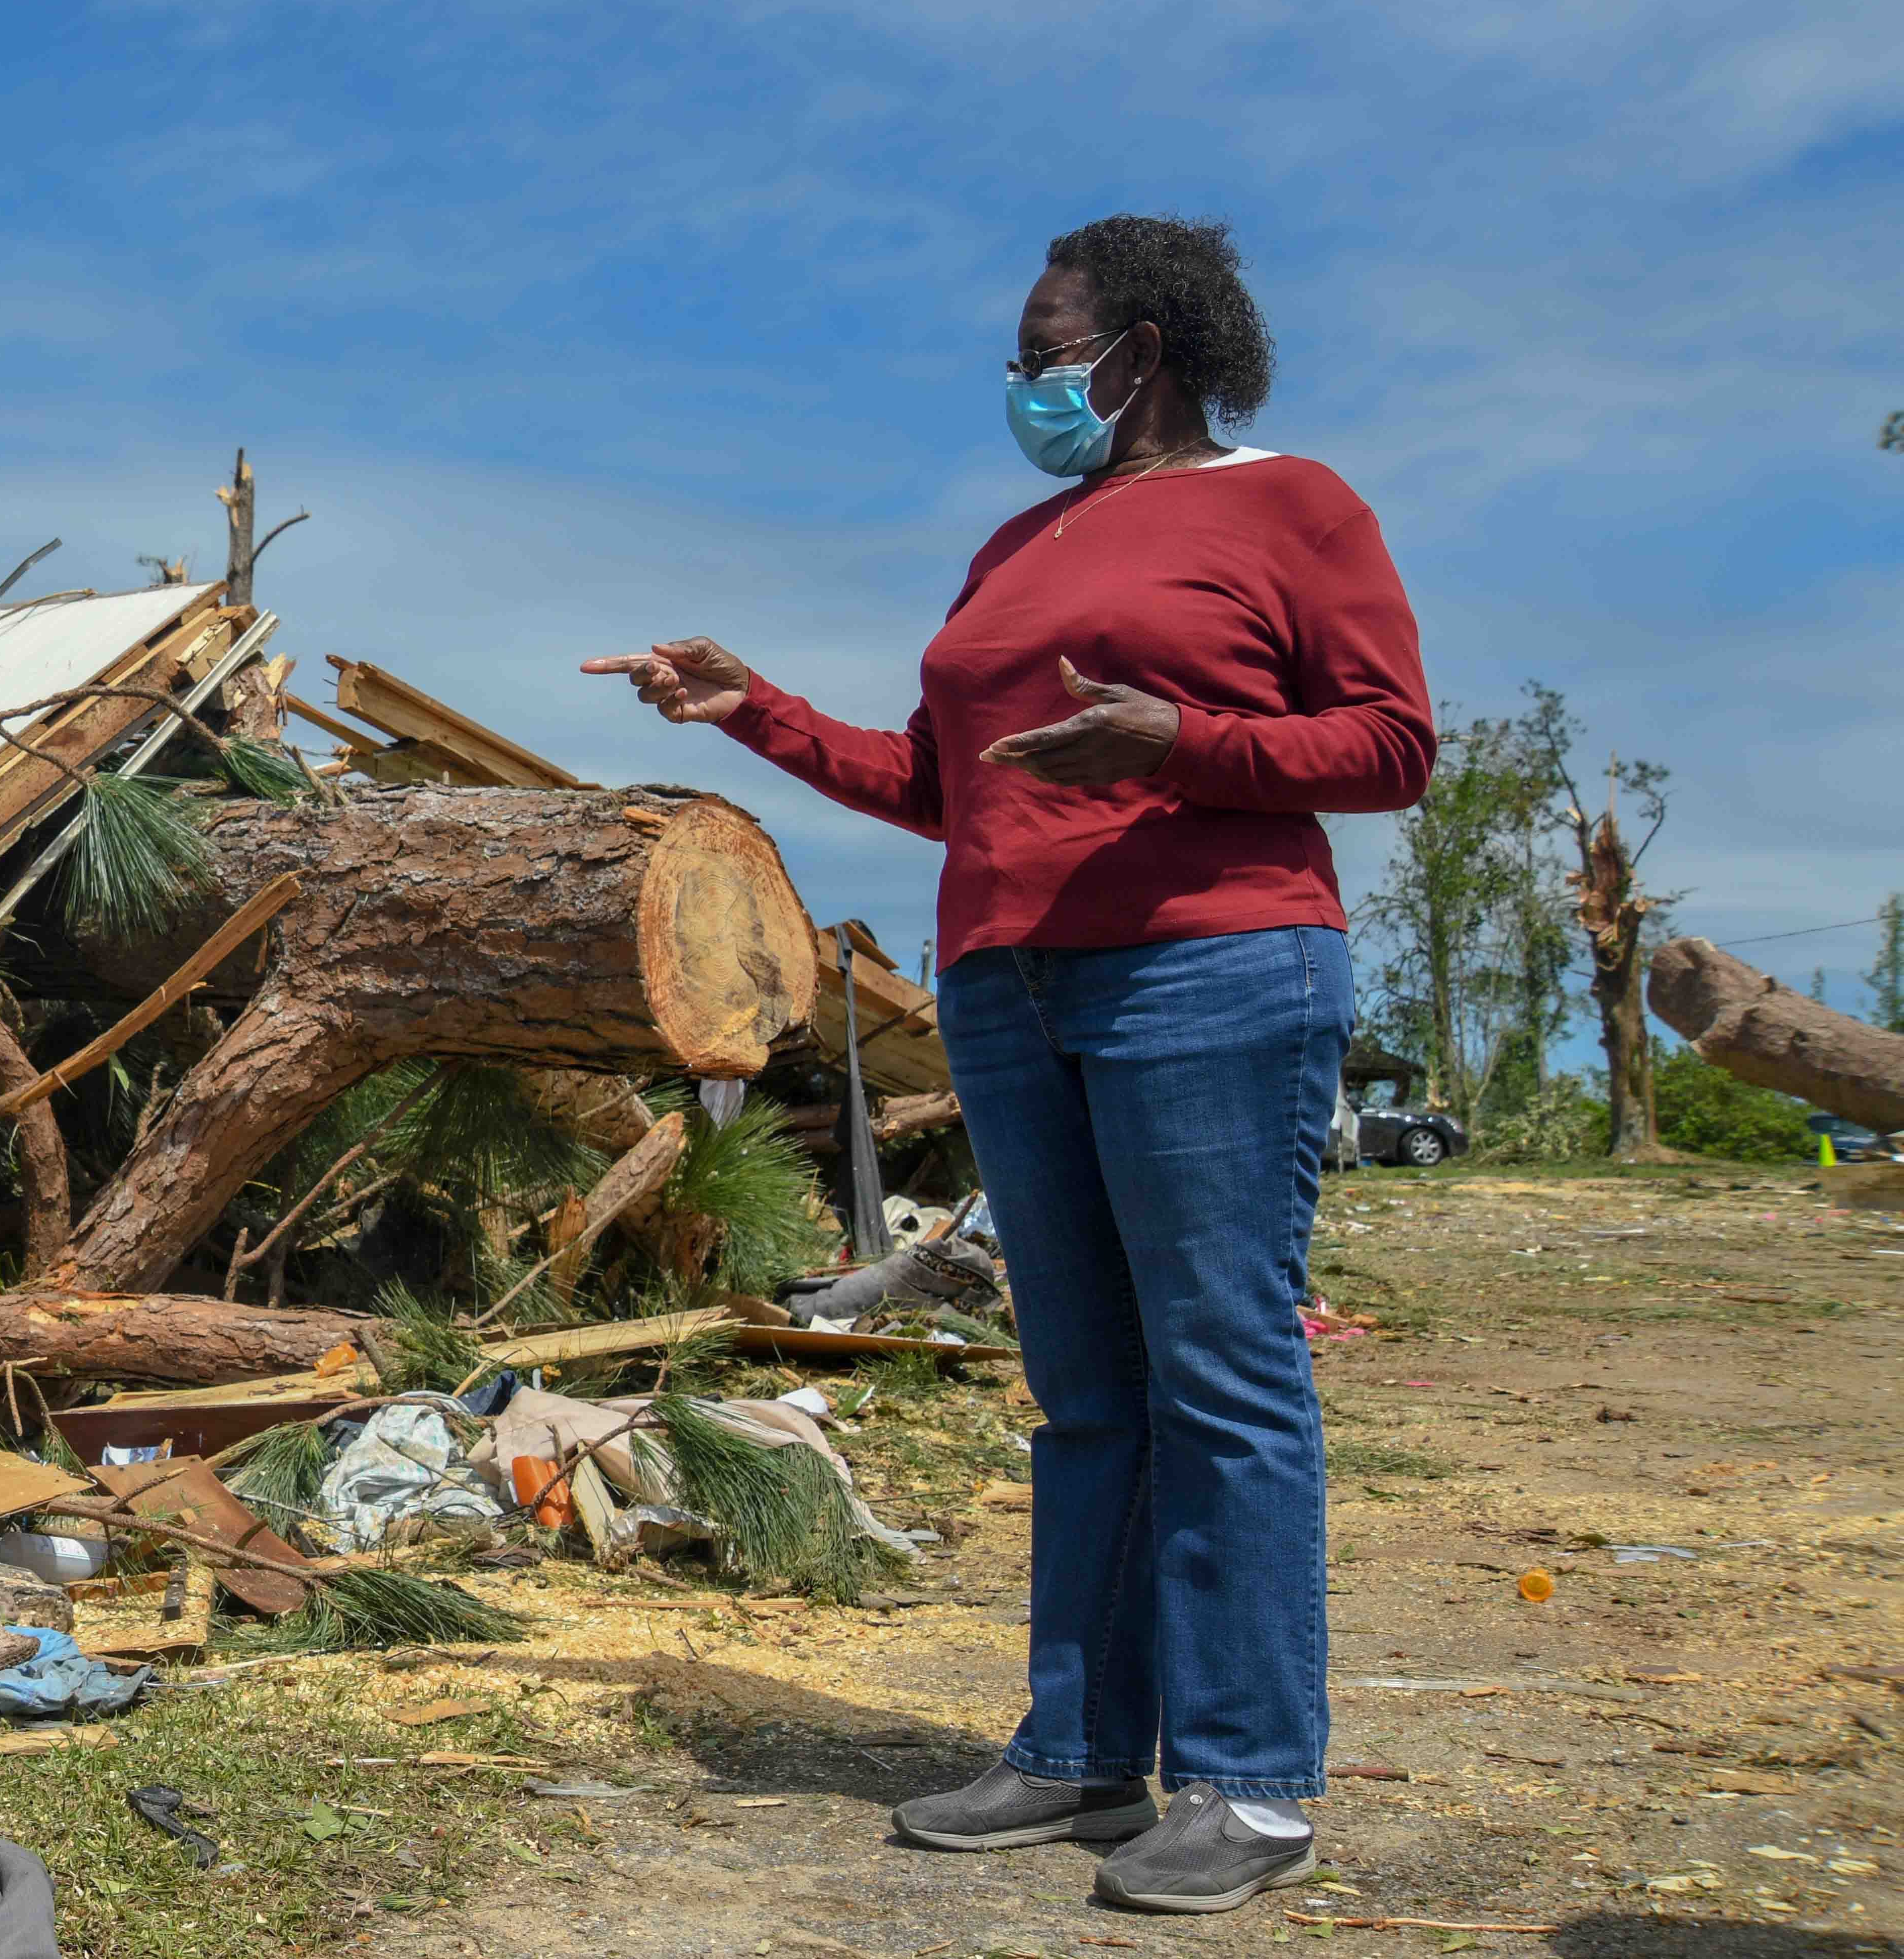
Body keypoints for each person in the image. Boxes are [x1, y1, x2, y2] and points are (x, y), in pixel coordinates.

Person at [585, 215, 1432, 1915]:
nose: (1025, 378)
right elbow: (941, 781)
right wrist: (751, 705)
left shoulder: (1295, 505)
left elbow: (1392, 743)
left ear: (1151, 348)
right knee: (1088, 1390)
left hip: (1211, 972)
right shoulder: (1015, 543)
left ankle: (1252, 1784)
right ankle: (1082, 1745)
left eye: (1047, 349)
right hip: (1008, 990)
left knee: (1223, 1374)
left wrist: (1182, 742)